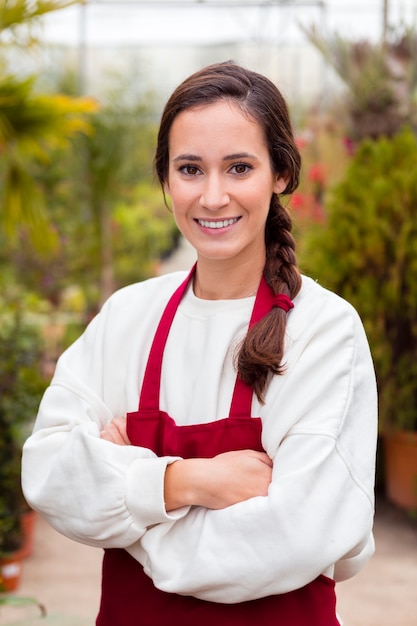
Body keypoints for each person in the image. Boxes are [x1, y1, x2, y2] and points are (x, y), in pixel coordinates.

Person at [22, 61, 377, 626]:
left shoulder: (324, 329)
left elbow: (292, 536)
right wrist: (185, 481)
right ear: (165, 180)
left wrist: (127, 503)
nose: (213, 197)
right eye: (190, 169)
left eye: (239, 167)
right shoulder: (127, 317)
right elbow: (47, 472)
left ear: (281, 174)